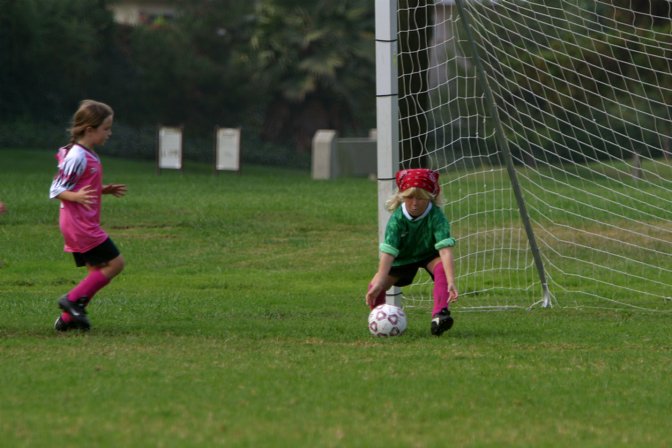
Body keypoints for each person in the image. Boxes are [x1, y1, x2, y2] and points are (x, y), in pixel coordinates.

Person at [49, 100, 127, 331]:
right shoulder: (77, 156)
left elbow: (80, 183)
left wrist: (102, 189)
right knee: (115, 264)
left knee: (96, 271)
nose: (109, 133)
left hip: (79, 223)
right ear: (90, 129)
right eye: (106, 128)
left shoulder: (85, 153)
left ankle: (67, 320)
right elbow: (56, 189)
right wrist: (75, 198)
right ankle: (71, 301)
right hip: (80, 224)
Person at [366, 168, 458, 336]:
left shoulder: (437, 216)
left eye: (421, 197)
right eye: (409, 197)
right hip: (402, 259)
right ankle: (381, 321)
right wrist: (380, 279)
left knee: (441, 269)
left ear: (430, 196)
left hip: (428, 254)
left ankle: (439, 316)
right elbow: (389, 252)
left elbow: (445, 251)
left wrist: (451, 281)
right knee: (374, 286)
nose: (415, 203)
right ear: (401, 196)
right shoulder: (397, 219)